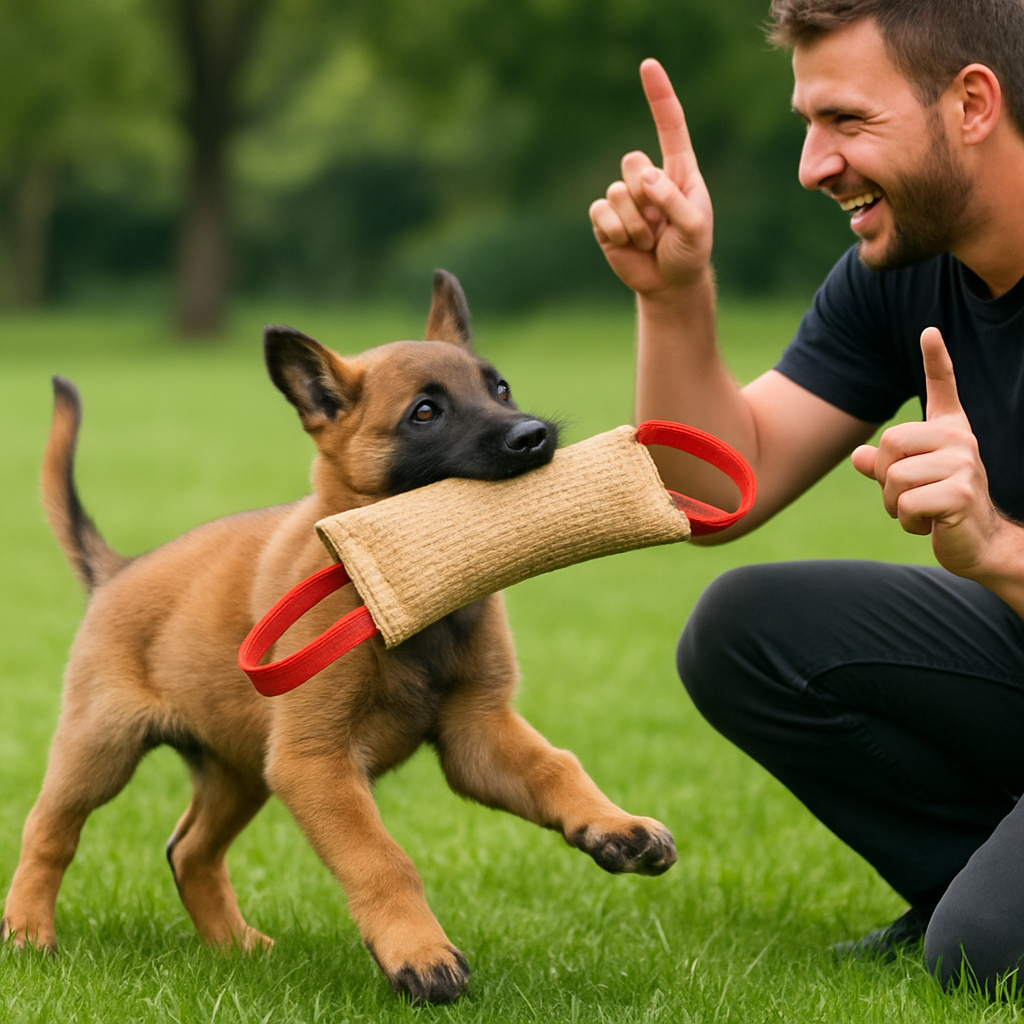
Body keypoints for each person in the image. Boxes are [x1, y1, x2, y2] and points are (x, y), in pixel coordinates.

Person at [589, 0, 1024, 994]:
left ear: (970, 104)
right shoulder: (909, 271)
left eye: (846, 121)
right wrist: (672, 297)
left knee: (987, 955)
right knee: (746, 629)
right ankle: (966, 877)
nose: (812, 164)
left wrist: (999, 546)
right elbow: (714, 492)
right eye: (808, 124)